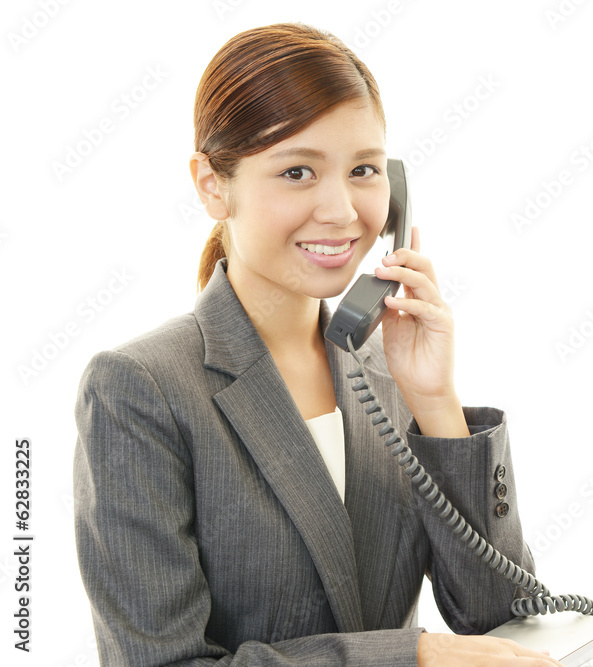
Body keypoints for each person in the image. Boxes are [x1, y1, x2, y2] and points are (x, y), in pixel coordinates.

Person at [73, 22, 561, 666]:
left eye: (363, 170)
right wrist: (409, 657)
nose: (341, 210)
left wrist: (436, 403)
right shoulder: (140, 389)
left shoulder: (385, 371)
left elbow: (502, 615)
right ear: (213, 184)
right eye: (297, 171)